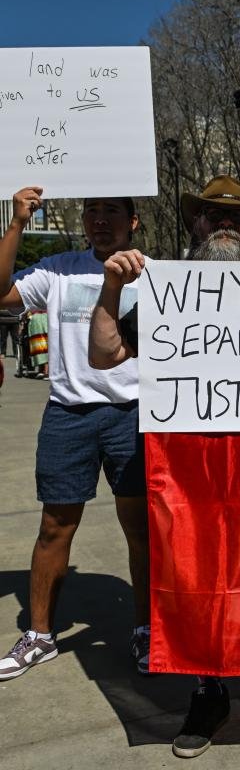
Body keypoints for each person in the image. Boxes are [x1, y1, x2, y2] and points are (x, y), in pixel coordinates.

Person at [91, 176, 240, 758]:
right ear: (195, 226)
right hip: (193, 469)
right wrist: (111, 287)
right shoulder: (170, 297)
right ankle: (209, 690)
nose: (227, 224)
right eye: (212, 215)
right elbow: (105, 354)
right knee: (199, 576)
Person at [0, 189, 150, 681]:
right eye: (91, 211)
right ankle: (40, 636)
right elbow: (2, 295)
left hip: (133, 415)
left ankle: (147, 629)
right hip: (69, 414)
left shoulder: (154, 274)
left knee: (141, 530)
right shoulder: (58, 268)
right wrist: (18, 223)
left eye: (111, 212)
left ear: (132, 221)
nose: (99, 220)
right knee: (53, 527)